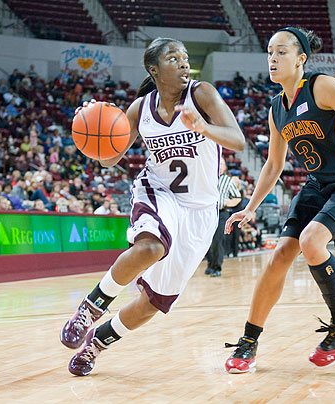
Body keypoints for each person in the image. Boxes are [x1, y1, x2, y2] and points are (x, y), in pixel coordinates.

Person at [59, 37, 245, 376]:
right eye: (174, 58)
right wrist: (87, 129)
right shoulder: (139, 109)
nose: (184, 63)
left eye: (186, 57)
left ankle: (95, 346)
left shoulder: (202, 94)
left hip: (201, 212)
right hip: (158, 191)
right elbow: (109, 159)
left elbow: (238, 139)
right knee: (150, 247)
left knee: (154, 302)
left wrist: (203, 127)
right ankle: (88, 309)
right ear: (154, 69)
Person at [223, 27, 335, 373]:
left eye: (281, 52)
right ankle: (249, 341)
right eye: (270, 52)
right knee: (280, 255)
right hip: (319, 185)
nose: (273, 58)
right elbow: (274, 164)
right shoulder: (275, 109)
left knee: (312, 240)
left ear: (301, 59)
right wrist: (250, 208)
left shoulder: (321, 86)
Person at [204, 159, 241, 277]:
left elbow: (237, 197)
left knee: (217, 240)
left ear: (225, 167)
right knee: (206, 241)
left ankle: (217, 267)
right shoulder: (207, 178)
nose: (219, 166)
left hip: (222, 213)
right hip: (208, 213)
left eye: (222, 164)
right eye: (218, 163)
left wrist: (226, 203)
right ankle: (210, 263)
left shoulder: (228, 181)